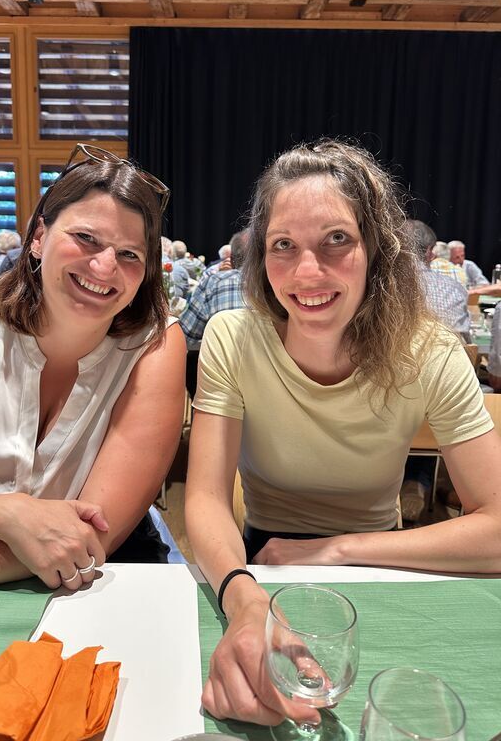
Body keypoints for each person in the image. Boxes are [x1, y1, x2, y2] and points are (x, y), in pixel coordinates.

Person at [185, 140, 501, 729]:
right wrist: (244, 599)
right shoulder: (233, 338)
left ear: (376, 249)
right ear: (261, 256)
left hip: (383, 559)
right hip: (260, 562)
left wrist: (336, 548)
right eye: (283, 245)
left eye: (337, 239)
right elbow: (203, 498)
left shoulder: (430, 352)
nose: (307, 272)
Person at [0, 144, 186, 591]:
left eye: (130, 254)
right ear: (38, 237)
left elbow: (90, 539)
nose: (104, 266)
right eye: (86, 238)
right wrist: (4, 513)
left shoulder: (155, 345)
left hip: (86, 588)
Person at [179, 230, 248, 398]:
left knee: (193, 358)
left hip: (220, 386)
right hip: (272, 387)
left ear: (231, 259)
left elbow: (186, 335)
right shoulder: (278, 285)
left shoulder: (215, 281)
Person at [407, 220, 471, 342]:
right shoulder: (454, 289)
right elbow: (465, 341)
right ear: (429, 251)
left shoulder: (378, 286)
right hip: (447, 351)